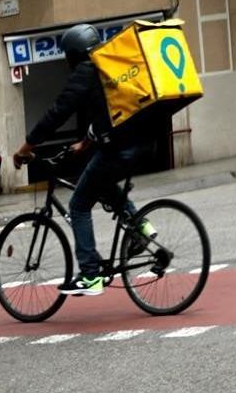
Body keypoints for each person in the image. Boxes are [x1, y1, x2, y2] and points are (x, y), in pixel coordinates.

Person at [13, 23, 156, 297]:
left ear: (73, 54)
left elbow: (57, 113)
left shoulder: (85, 71)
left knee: (78, 205)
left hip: (119, 148)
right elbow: (109, 114)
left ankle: (91, 276)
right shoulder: (107, 68)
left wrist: (25, 147)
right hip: (140, 143)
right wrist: (84, 143)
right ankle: (142, 226)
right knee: (101, 180)